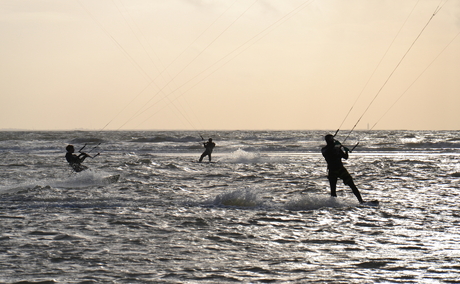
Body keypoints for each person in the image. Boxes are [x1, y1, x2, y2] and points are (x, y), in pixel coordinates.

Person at [321, 134, 364, 203]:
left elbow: (345, 157)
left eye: (332, 139)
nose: (332, 141)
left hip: (341, 169)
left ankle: (361, 201)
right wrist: (337, 146)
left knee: (352, 185)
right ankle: (333, 203)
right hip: (332, 171)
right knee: (333, 190)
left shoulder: (336, 148)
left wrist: (345, 150)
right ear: (327, 141)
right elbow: (329, 151)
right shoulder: (324, 149)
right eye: (330, 139)